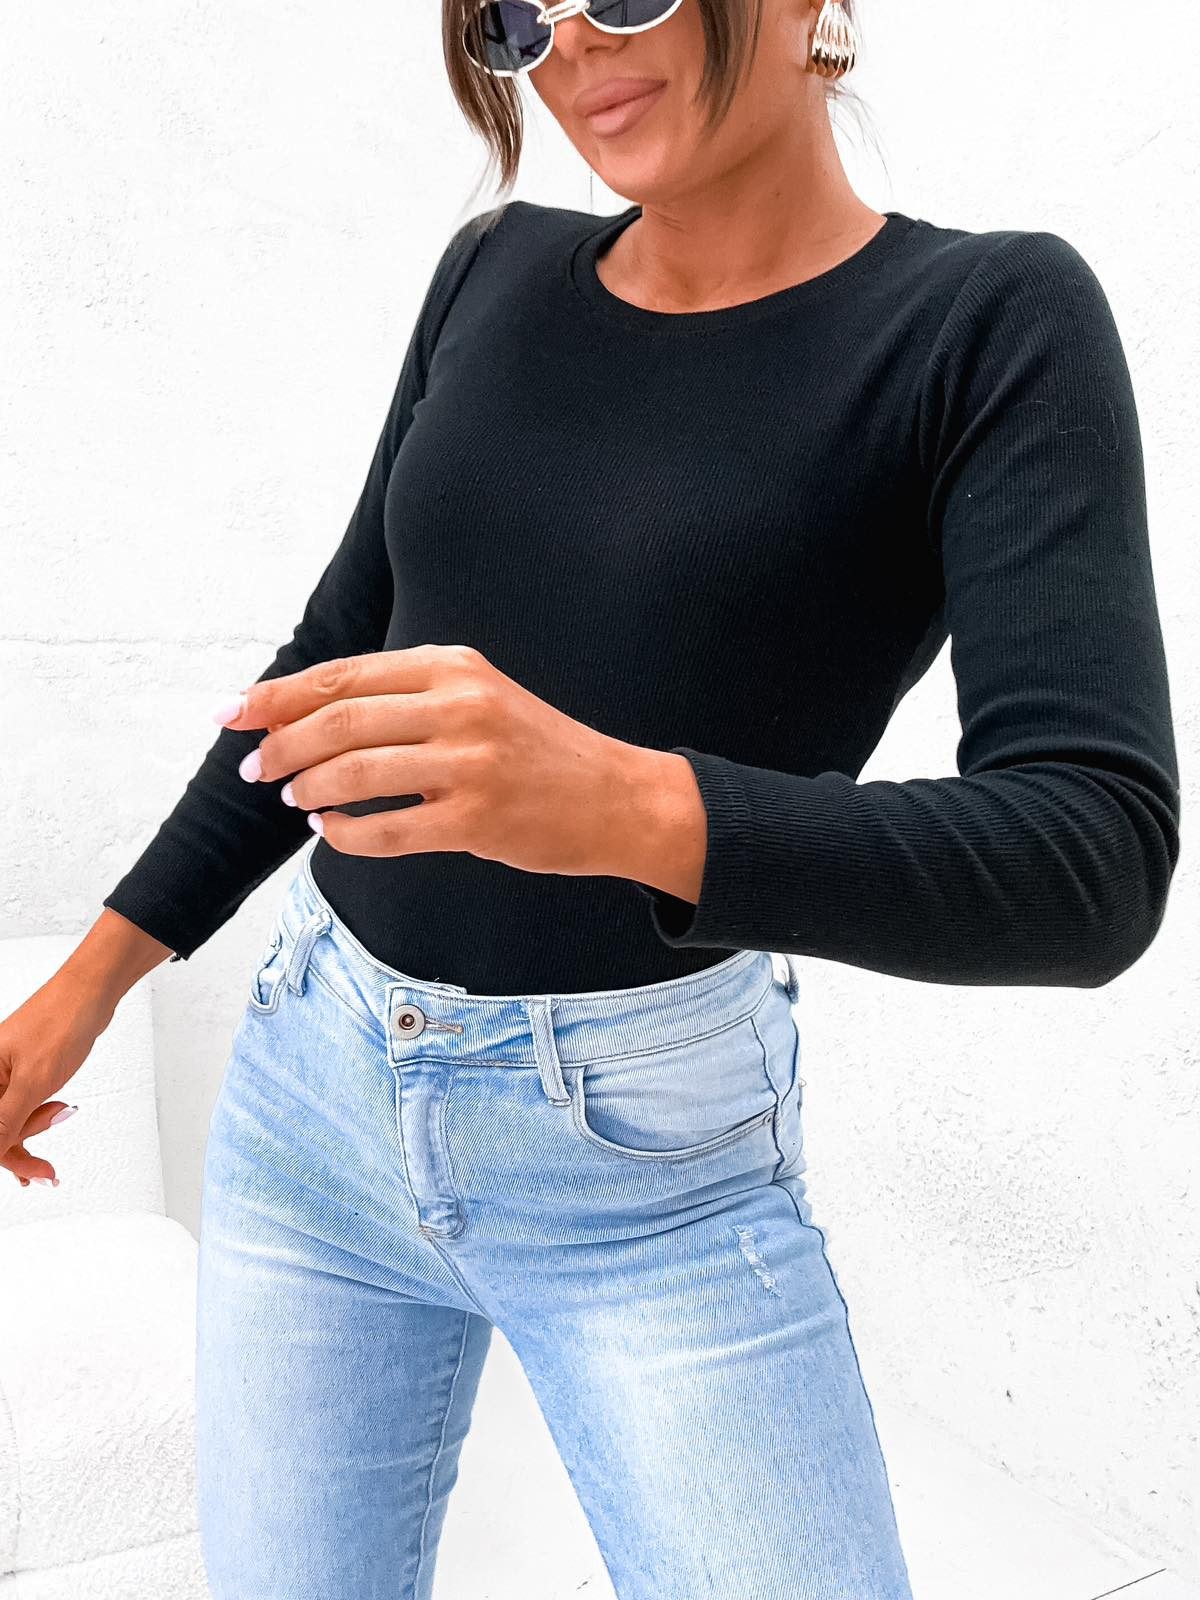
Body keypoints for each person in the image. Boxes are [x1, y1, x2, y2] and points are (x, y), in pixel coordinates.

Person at [0, 1, 1180, 1595]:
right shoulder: (494, 269)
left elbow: (1091, 852)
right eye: (514, 15)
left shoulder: (985, 322)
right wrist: (90, 983)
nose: (569, 50)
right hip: (311, 1094)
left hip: (648, 1176)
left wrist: (617, 803)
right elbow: (339, 659)